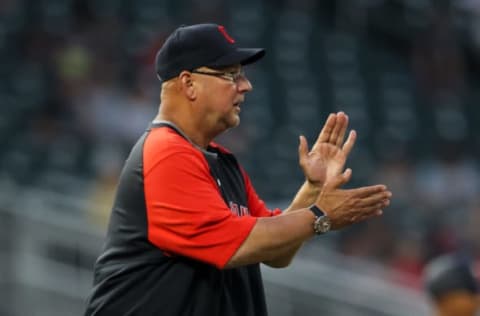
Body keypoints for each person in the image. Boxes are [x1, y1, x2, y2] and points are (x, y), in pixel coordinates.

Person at [84, 23, 392, 316]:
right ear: (189, 84)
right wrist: (320, 215)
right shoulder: (166, 152)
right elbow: (239, 244)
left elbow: (276, 252)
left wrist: (313, 191)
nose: (246, 86)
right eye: (231, 75)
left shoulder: (220, 160)